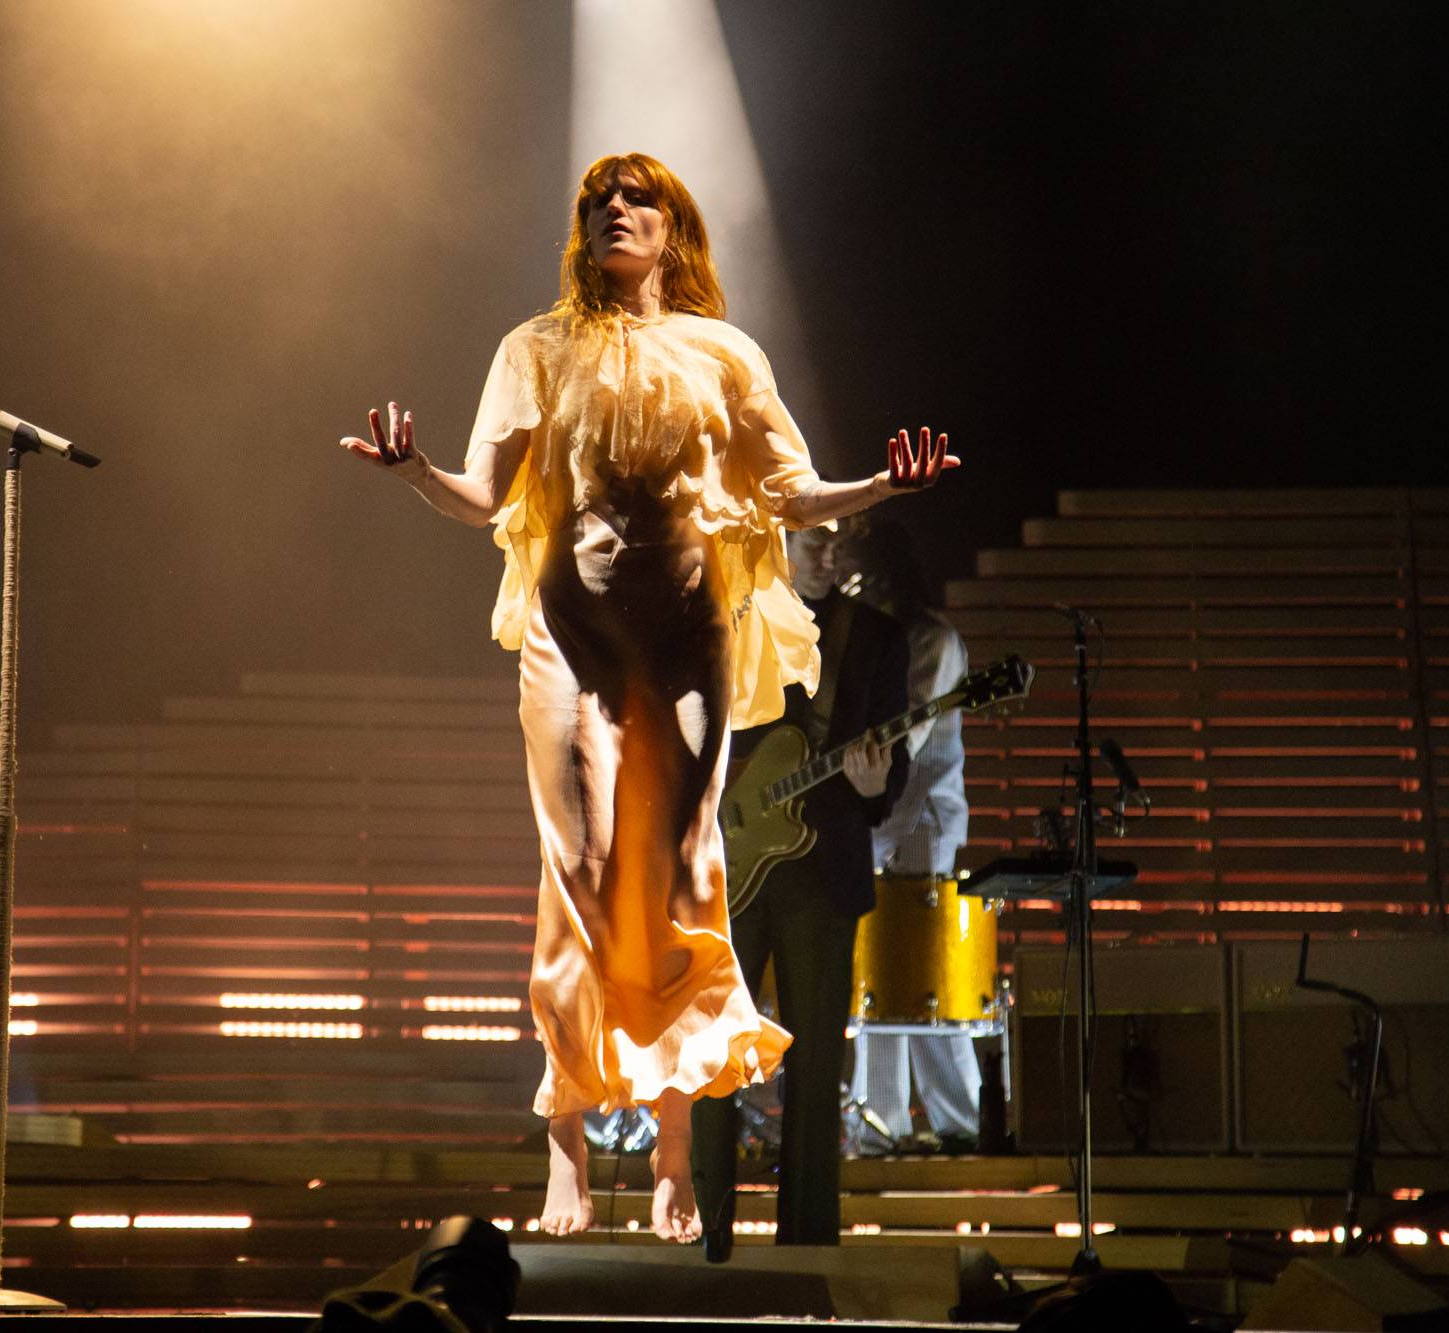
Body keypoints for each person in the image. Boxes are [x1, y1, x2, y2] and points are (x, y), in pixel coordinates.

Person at [338, 151, 956, 1242]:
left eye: (636, 200)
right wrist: (413, 472)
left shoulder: (722, 352)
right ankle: (565, 1142)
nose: (612, 211)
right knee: (575, 872)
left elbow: (791, 489)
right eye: (595, 202)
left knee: (678, 873)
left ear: (673, 229)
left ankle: (674, 1147)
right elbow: (486, 495)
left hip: (682, 643)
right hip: (566, 638)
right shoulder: (534, 348)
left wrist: (879, 487)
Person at [690, 522, 909, 1257]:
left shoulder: (874, 638)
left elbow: (892, 757)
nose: (827, 548)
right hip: (732, 865)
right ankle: (707, 1237)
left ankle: (808, 1248)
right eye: (811, 535)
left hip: (825, 871)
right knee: (716, 1059)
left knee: (816, 1069)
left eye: (836, 536)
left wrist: (879, 786)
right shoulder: (735, 619)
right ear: (775, 539)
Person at [842, 518, 982, 1155]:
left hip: (920, 822)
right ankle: (885, 1124)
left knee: (915, 975)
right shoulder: (870, 635)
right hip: (879, 822)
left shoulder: (931, 638)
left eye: (859, 569)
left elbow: (906, 735)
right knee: (886, 976)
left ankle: (957, 1123)